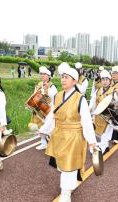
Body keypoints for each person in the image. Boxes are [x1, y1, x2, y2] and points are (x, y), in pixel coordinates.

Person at [38, 62, 97, 202]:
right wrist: (44, 129)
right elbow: (52, 115)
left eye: (67, 77)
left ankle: (66, 194)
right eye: (62, 77)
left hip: (74, 136)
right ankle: (66, 188)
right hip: (59, 134)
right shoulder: (58, 96)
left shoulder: (80, 99)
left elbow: (87, 122)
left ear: (75, 81)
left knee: (69, 167)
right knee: (61, 165)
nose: (63, 79)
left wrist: (92, 141)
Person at [28, 66, 58, 150]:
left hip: (50, 109)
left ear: (49, 76)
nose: (42, 76)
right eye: (41, 74)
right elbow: (34, 95)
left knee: (49, 127)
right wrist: (31, 104)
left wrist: (45, 91)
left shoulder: (52, 86)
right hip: (40, 109)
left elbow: (53, 97)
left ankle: (53, 142)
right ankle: (43, 142)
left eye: (44, 74)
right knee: (40, 126)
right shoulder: (38, 85)